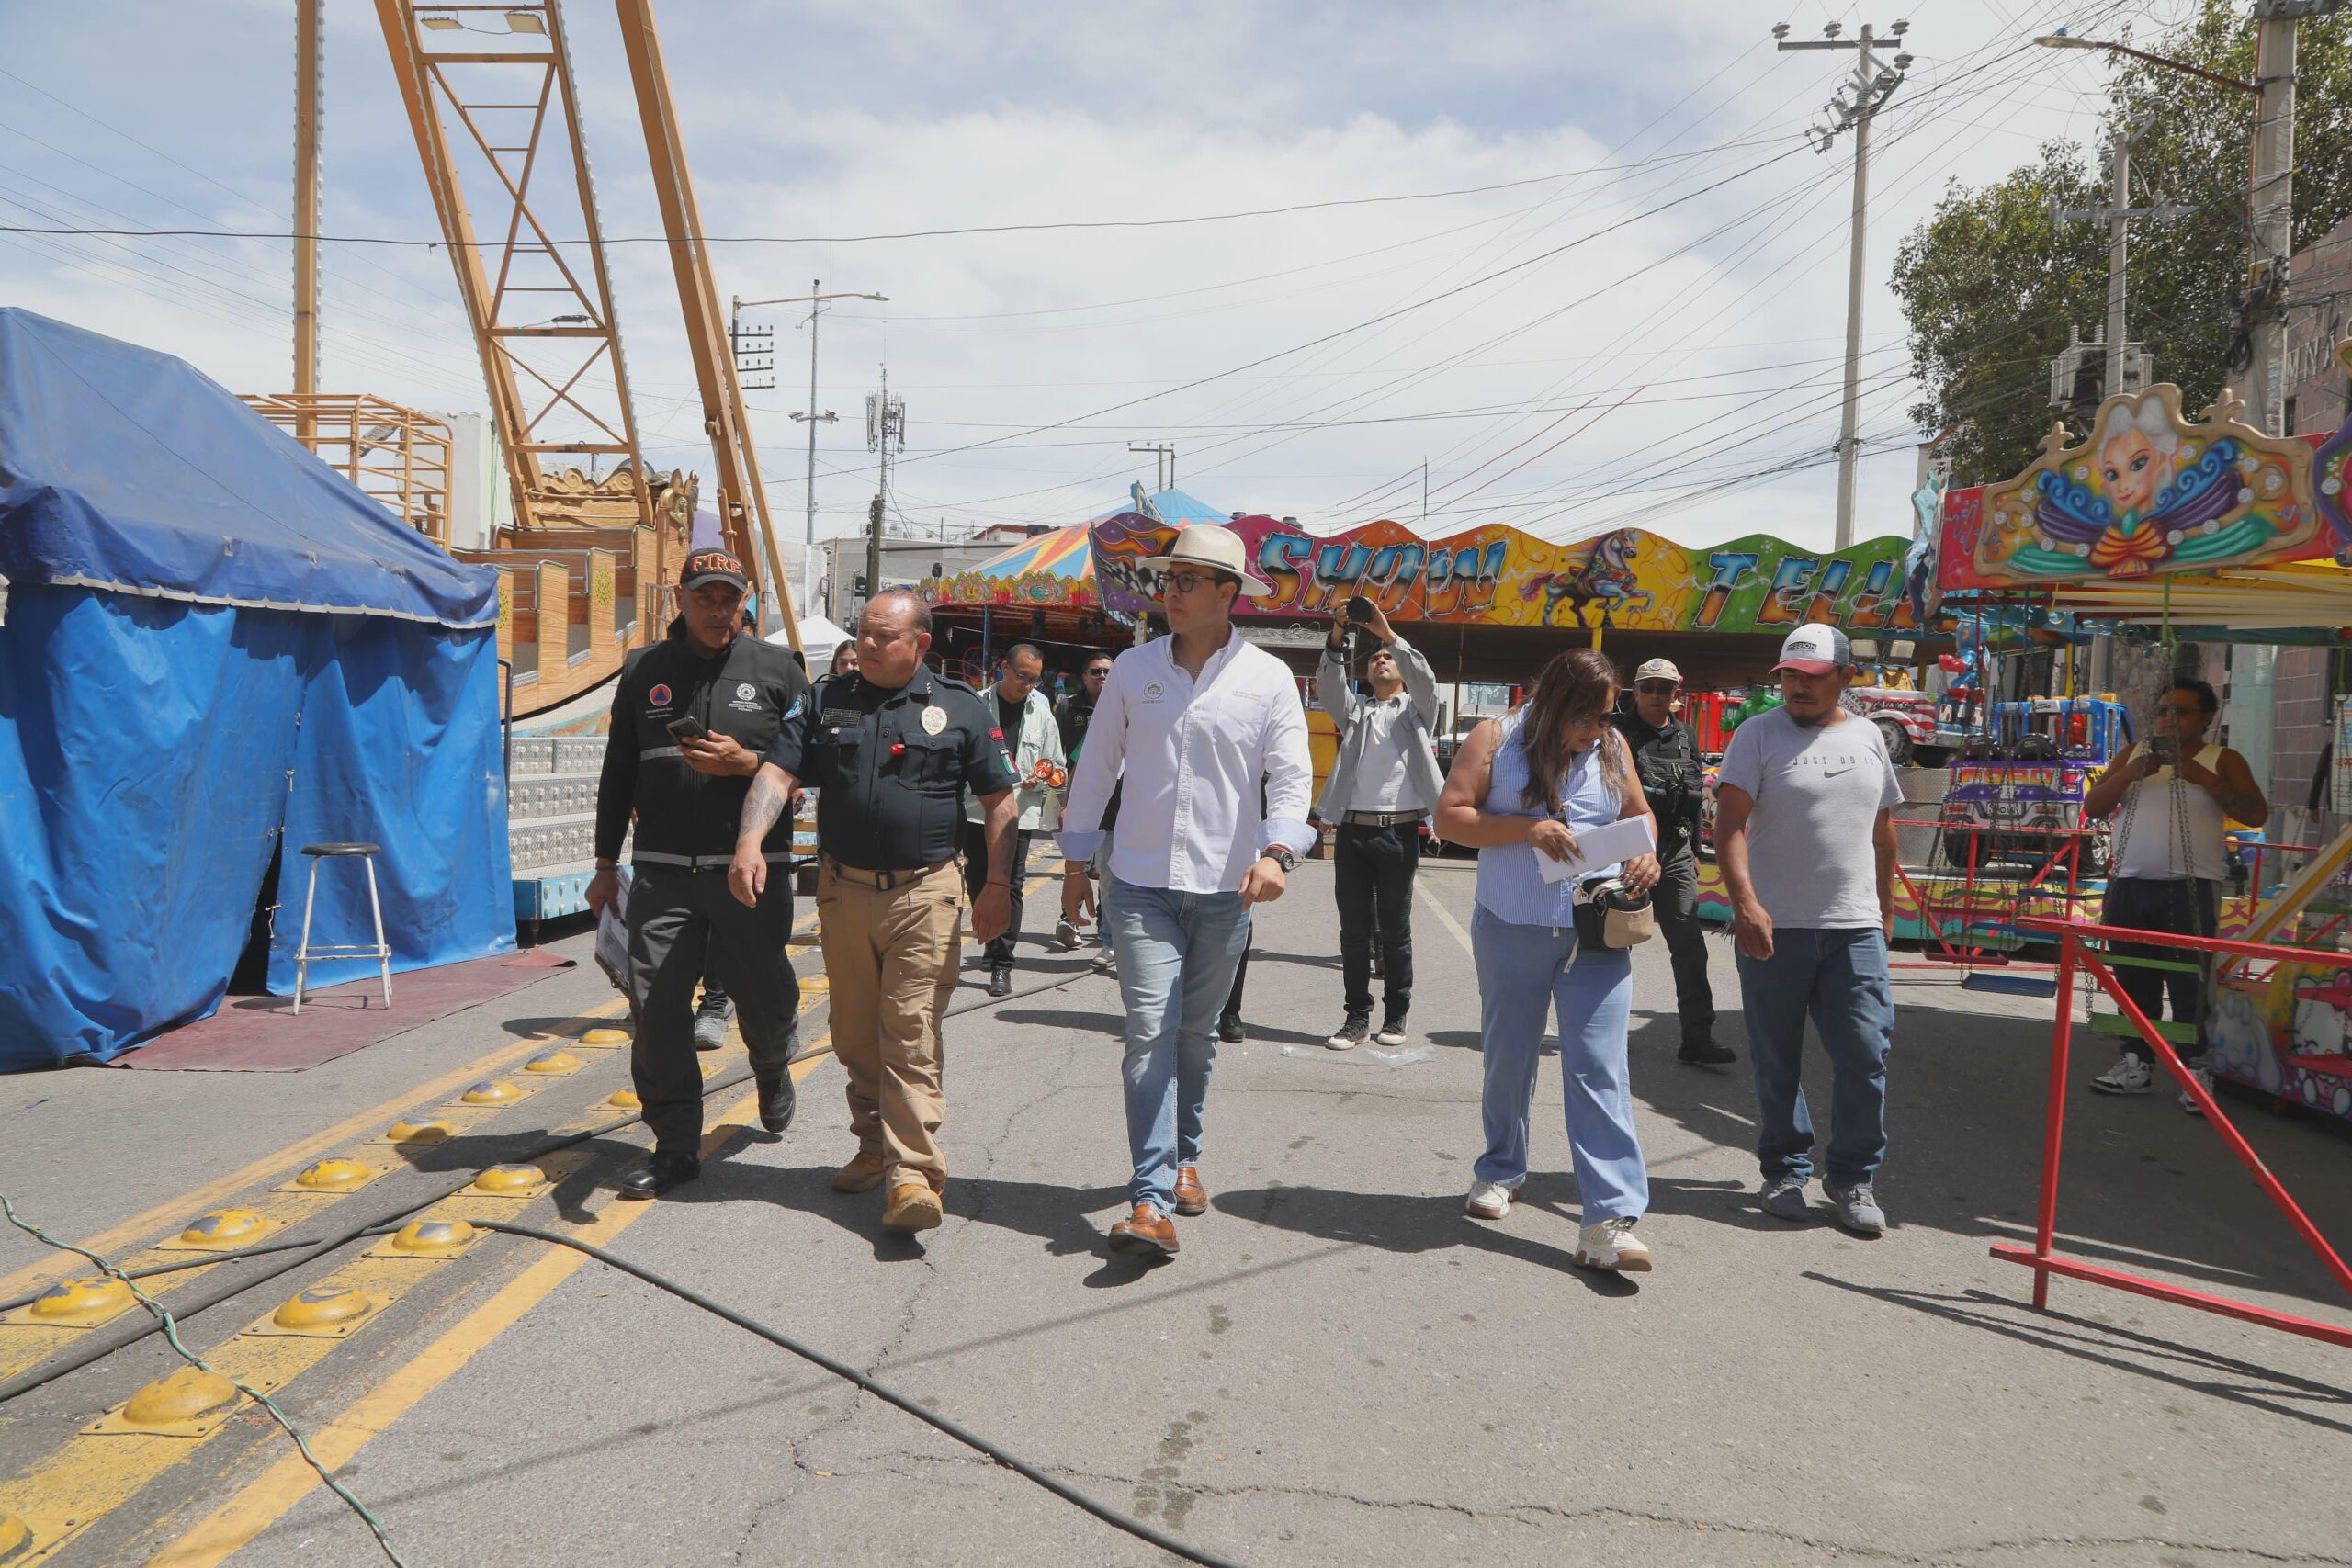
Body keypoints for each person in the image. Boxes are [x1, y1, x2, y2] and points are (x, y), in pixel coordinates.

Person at [1058, 524, 1315, 1258]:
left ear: (1227, 593)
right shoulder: (1134, 670)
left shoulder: (1268, 680)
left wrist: (1278, 853)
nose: (1169, 593)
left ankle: (1186, 1154)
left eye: (1186, 581)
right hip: (1136, 883)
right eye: (1166, 580)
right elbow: (1096, 769)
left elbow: (1293, 780)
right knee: (1148, 1033)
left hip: (1228, 888)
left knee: (1194, 1036)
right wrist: (1077, 864)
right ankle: (1150, 1197)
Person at [729, 589, 1019, 1232]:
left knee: (908, 1031)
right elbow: (778, 773)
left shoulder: (961, 707)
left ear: (920, 644)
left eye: (883, 636)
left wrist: (996, 885)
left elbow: (1000, 799)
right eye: (863, 633)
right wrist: (749, 841)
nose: (866, 644)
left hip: (927, 891)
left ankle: (913, 1172)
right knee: (855, 1032)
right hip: (842, 890)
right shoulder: (826, 699)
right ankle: (872, 1141)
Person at [587, 549, 808, 1199]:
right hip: (661, 872)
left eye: (730, 598)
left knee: (764, 997)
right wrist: (605, 865)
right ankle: (676, 1146)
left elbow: (810, 765)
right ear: (678, 599)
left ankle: (772, 1063)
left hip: (751, 872)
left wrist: (747, 763)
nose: (718, 610)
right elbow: (617, 773)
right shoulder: (643, 671)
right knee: (656, 1010)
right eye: (705, 597)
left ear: (746, 602)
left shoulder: (778, 670)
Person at [1436, 648, 1661, 1273]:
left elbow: (1639, 815)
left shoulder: (1612, 748)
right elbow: (1449, 816)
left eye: (1604, 719)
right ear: (1555, 704)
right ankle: (1502, 1168)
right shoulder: (1495, 737)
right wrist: (1524, 829)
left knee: (1599, 1067)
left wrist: (1647, 856)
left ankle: (1608, 1218)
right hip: (1513, 925)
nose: (1595, 733)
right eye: (1585, 720)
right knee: (1510, 1056)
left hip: (1595, 933)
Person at [1713, 623, 1902, 1235]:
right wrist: (1745, 903)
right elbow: (1728, 827)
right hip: (1776, 927)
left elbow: (1882, 830)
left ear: (1846, 677)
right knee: (1777, 1058)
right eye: (1790, 675)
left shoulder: (1871, 737)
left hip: (1855, 927)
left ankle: (1851, 1177)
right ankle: (1786, 1171)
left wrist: (1887, 907)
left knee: (1866, 1054)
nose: (1797, 687)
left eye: (1813, 677)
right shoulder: (1755, 735)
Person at [2081, 677, 2267, 1108]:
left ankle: (2195, 1070)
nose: (2168, 718)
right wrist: (2129, 773)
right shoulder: (2135, 755)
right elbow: (2093, 807)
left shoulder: (2223, 759)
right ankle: (2134, 1061)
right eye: (2163, 709)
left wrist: (2203, 778)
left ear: (2205, 718)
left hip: (2192, 887)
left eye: (2180, 711)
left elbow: (2255, 813)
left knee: (2191, 984)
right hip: (2129, 884)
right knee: (2132, 979)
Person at [1315, 598, 1443, 1050]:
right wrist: (1337, 635)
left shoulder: (1418, 711)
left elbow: (1427, 679)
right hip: (1353, 832)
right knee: (1352, 929)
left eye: (1388, 658)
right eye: (1375, 659)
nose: (1382, 661)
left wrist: (1389, 635)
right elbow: (1329, 687)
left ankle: (1396, 1014)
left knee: (1395, 928)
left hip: (1399, 832)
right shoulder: (1356, 713)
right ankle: (1355, 1017)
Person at [1610, 658, 1734, 1066]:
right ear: (1636, 691)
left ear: (1676, 693)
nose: (1657, 696)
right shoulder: (1616, 733)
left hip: (1676, 850)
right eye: (1649, 688)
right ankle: (1606, 1032)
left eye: (1665, 689)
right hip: (1627, 851)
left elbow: (1694, 794)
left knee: (1689, 945)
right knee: (1615, 940)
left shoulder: (1684, 735)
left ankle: (1697, 1038)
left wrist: (1695, 852)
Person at [964, 643, 1068, 996]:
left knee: (1010, 885)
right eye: (1021, 676)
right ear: (1003, 668)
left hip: (1020, 812)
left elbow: (1056, 764)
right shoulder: (976, 705)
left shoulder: (1042, 712)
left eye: (1034, 680)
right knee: (978, 881)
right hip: (976, 811)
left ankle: (1002, 962)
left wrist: (1041, 777)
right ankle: (991, 943)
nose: (1026, 684)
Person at [1052, 653, 1115, 952]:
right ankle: (1070, 919)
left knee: (1108, 865)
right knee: (1077, 862)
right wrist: (1063, 799)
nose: (1102, 676)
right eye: (1096, 671)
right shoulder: (1067, 707)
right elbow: (1057, 751)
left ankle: (1106, 925)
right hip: (1080, 795)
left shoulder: (1124, 705)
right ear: (1085, 675)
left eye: (1107, 672)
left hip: (1118, 800)